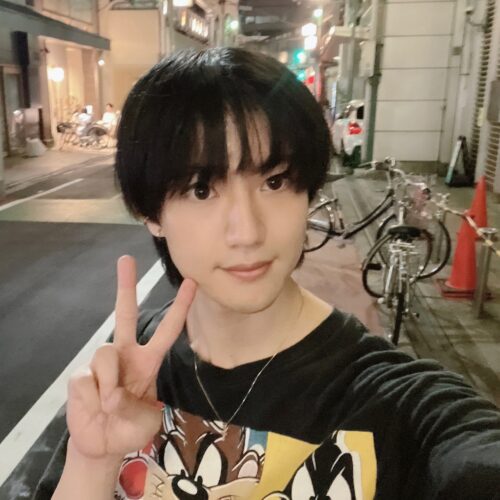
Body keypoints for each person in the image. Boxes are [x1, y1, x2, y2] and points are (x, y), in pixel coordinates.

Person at [48, 48, 500, 499]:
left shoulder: (393, 401)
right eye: (202, 189)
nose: (248, 232)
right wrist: (94, 463)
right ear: (149, 212)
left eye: (275, 181)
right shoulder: (133, 369)